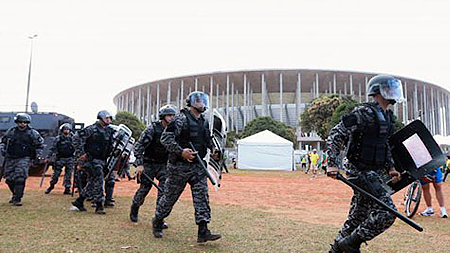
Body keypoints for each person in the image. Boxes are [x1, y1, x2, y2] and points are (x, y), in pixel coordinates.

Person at [326, 75, 403, 253]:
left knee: (357, 218)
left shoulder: (387, 117)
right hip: (359, 170)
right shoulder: (364, 112)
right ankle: (350, 244)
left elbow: (384, 145)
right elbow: (336, 133)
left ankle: (337, 250)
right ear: (378, 91)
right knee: (388, 212)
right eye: (388, 88)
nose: (393, 92)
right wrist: (332, 163)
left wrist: (391, 168)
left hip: (373, 172)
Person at [152, 91, 221, 243]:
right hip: (179, 167)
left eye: (204, 101)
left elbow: (207, 139)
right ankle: (157, 220)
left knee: (202, 197)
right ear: (190, 103)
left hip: (197, 166)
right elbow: (165, 138)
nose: (202, 104)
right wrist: (181, 152)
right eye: (198, 101)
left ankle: (203, 231)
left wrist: (214, 150)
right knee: (170, 198)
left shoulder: (203, 121)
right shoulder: (180, 119)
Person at [129, 105, 176, 224]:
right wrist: (139, 164)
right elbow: (139, 147)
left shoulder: (174, 130)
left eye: (173, 115)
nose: (171, 118)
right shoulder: (152, 129)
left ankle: (159, 218)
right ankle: (135, 207)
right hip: (149, 163)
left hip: (164, 165)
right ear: (162, 116)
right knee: (144, 189)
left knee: (164, 190)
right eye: (169, 115)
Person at [70, 110, 115, 214]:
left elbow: (110, 145)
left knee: (92, 182)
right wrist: (81, 154)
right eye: (106, 118)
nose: (108, 120)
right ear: (100, 118)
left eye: (109, 118)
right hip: (92, 159)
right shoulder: (91, 129)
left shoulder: (109, 131)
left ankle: (79, 201)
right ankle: (99, 205)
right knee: (99, 180)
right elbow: (76, 138)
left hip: (103, 160)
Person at [0, 113, 44, 206]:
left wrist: (38, 156)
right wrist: (3, 149)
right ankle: (15, 194)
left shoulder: (33, 133)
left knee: (20, 177)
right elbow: (3, 141)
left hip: (24, 158)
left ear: (27, 123)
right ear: (17, 122)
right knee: (9, 179)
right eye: (20, 122)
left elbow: (39, 145)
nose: (22, 124)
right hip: (11, 157)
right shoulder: (11, 132)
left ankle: (17, 199)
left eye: (24, 122)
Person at [45, 123, 75, 195]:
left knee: (68, 175)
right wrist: (48, 157)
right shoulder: (58, 138)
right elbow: (52, 148)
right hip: (60, 159)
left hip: (70, 159)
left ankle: (67, 189)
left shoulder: (73, 138)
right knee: (56, 174)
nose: (66, 131)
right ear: (62, 130)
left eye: (68, 129)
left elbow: (77, 148)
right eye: (65, 129)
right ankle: (51, 186)